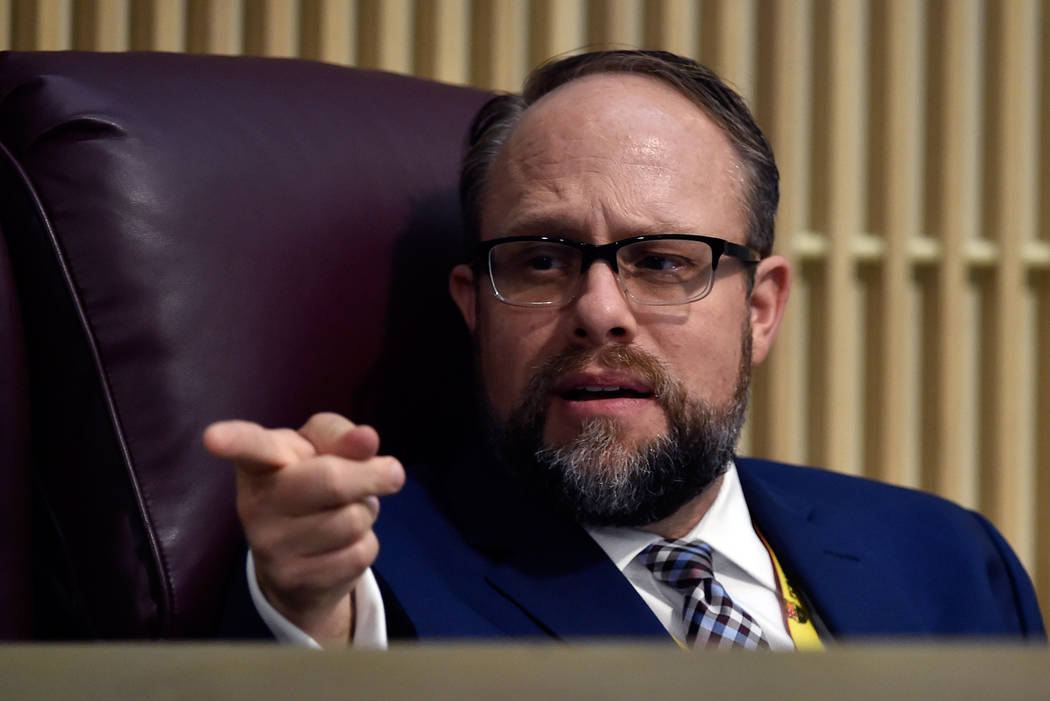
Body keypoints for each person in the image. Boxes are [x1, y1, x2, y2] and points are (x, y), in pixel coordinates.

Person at [204, 50, 1045, 649]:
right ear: (473, 307)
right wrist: (307, 611)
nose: (599, 310)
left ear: (759, 308)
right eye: (541, 259)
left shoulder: (951, 562)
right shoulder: (367, 582)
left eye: (663, 262)